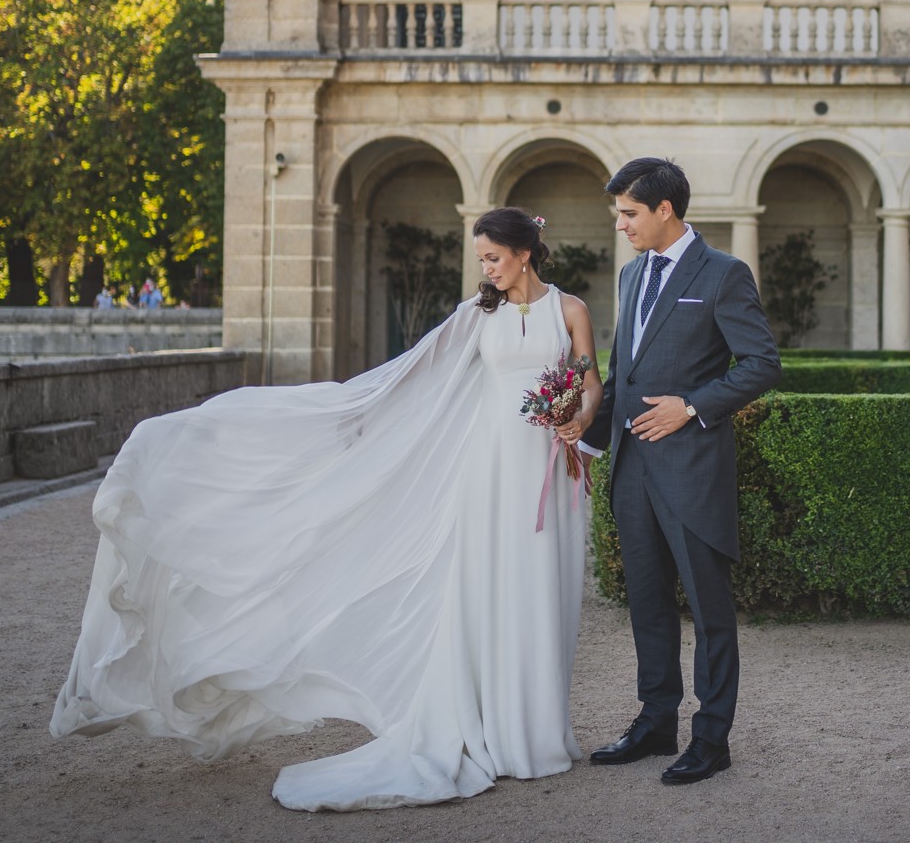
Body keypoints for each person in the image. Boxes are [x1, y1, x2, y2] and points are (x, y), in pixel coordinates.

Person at [51, 206, 605, 813]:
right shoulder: (476, 315)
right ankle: (494, 730)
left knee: (543, 589)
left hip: (551, 467)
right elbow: (413, 376)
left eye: (494, 258)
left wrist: (578, 416)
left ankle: (538, 732)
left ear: (524, 253)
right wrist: (352, 417)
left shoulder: (569, 309)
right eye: (482, 261)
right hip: (491, 468)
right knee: (489, 590)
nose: (487, 270)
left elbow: (588, 378)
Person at [576, 157, 781, 786]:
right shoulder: (634, 273)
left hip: (692, 469)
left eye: (629, 213)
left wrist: (692, 406)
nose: (621, 225)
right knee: (647, 603)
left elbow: (761, 363)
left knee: (709, 609)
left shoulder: (722, 274)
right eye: (619, 213)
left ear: (665, 209)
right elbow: (624, 372)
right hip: (632, 469)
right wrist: (584, 445)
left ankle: (711, 738)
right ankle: (656, 720)